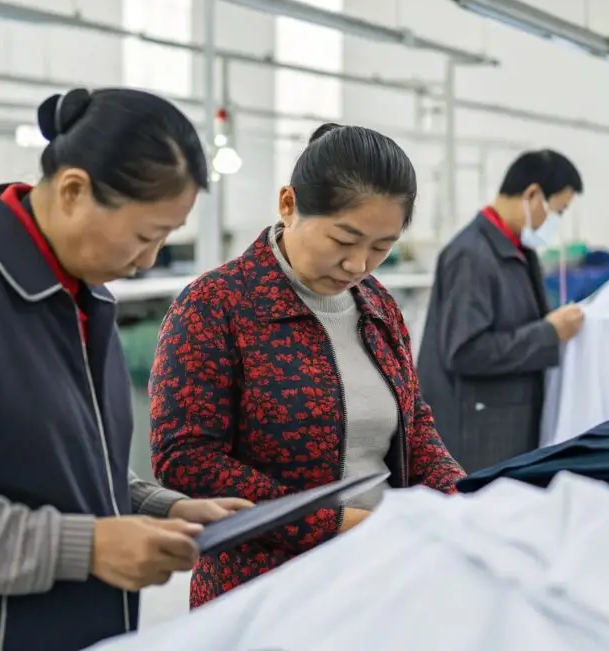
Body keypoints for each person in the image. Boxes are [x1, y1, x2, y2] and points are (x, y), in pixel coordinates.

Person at [0, 88, 252, 651]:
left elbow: (68, 467)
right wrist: (89, 547)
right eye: (144, 236)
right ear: (72, 191)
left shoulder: (83, 300)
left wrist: (168, 509)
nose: (148, 261)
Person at [149, 123, 466, 608]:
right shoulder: (215, 306)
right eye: (344, 239)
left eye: (382, 247)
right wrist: (333, 521)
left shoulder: (378, 306)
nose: (359, 264)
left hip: (379, 573)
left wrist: (456, 497)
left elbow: (413, 422)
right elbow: (186, 458)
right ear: (288, 204)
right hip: (262, 586)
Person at [416, 149, 585, 472]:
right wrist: (549, 333)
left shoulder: (518, 250)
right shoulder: (472, 256)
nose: (556, 222)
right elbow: (465, 351)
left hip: (505, 423)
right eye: (558, 211)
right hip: (477, 433)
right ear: (533, 195)